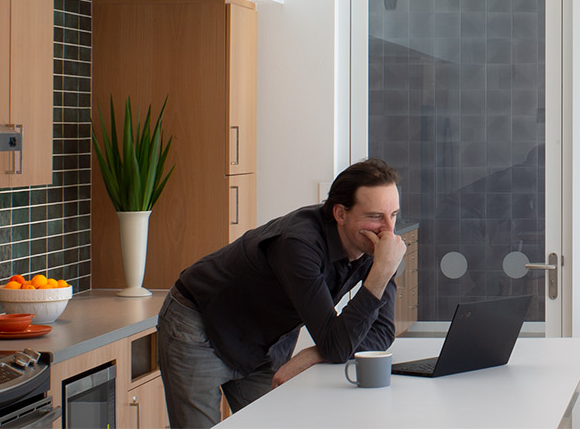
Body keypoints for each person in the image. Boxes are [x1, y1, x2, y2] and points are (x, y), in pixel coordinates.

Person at [158, 158, 405, 427]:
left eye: (393, 215)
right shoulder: (299, 244)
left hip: (261, 341)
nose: (389, 231)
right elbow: (336, 344)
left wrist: (315, 353)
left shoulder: (374, 248)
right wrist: (381, 273)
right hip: (199, 324)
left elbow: (381, 333)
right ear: (340, 214)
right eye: (375, 216)